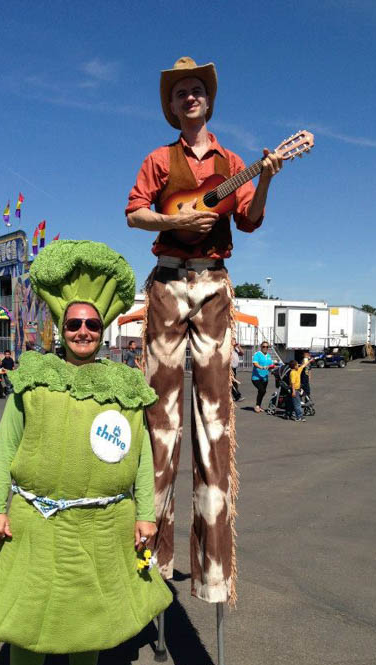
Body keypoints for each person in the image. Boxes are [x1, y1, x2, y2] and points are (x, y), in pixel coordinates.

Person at [0, 240, 171, 665]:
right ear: (62, 324)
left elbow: (142, 456)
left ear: (103, 330)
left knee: (90, 612)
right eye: (74, 323)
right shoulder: (33, 377)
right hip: (37, 520)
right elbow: (5, 445)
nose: (82, 332)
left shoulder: (127, 385)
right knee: (30, 615)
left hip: (105, 523)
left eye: (92, 325)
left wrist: (147, 514)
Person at [125, 57, 283, 605]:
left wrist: (263, 179)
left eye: (197, 90)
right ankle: (154, 558)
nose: (189, 98)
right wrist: (175, 221)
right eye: (180, 93)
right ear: (171, 106)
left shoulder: (233, 161)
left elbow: (250, 220)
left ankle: (214, 571)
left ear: (208, 101)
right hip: (168, 284)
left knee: (214, 419)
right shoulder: (157, 159)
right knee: (159, 420)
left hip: (214, 283)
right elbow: (135, 213)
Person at [251, 341, 274, 413]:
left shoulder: (268, 356)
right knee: (262, 390)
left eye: (267, 347)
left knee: (262, 392)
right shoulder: (257, 354)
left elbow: (271, 366)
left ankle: (258, 405)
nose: (265, 348)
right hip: (256, 377)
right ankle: (257, 406)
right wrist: (262, 367)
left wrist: (272, 370)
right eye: (264, 346)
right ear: (261, 347)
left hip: (265, 378)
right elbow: (255, 363)